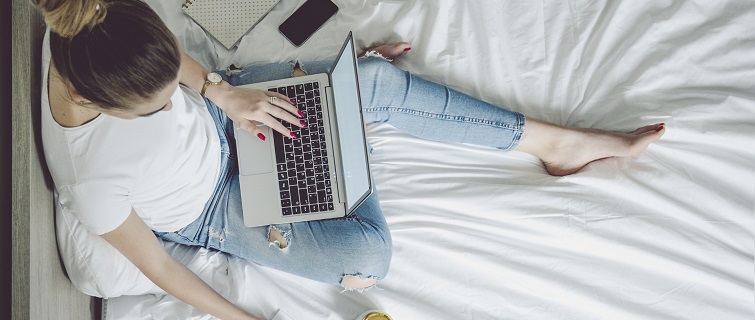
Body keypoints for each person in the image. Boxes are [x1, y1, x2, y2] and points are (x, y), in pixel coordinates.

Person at [34, 0, 664, 319]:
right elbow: (160, 269)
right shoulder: (92, 181)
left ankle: (560, 147)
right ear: (91, 99)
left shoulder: (110, 30)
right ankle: (344, 128)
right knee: (366, 260)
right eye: (154, 106)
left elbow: (179, 71)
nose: (169, 100)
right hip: (211, 210)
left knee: (369, 82)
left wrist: (222, 94)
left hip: (229, 119)